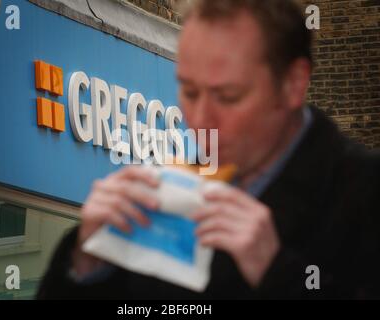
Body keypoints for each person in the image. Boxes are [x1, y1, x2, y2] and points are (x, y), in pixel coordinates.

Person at [37, 0, 380, 299]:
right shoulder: (170, 196)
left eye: (227, 96)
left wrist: (277, 272)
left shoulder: (364, 192)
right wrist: (86, 261)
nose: (199, 121)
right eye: (188, 91)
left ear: (293, 84)